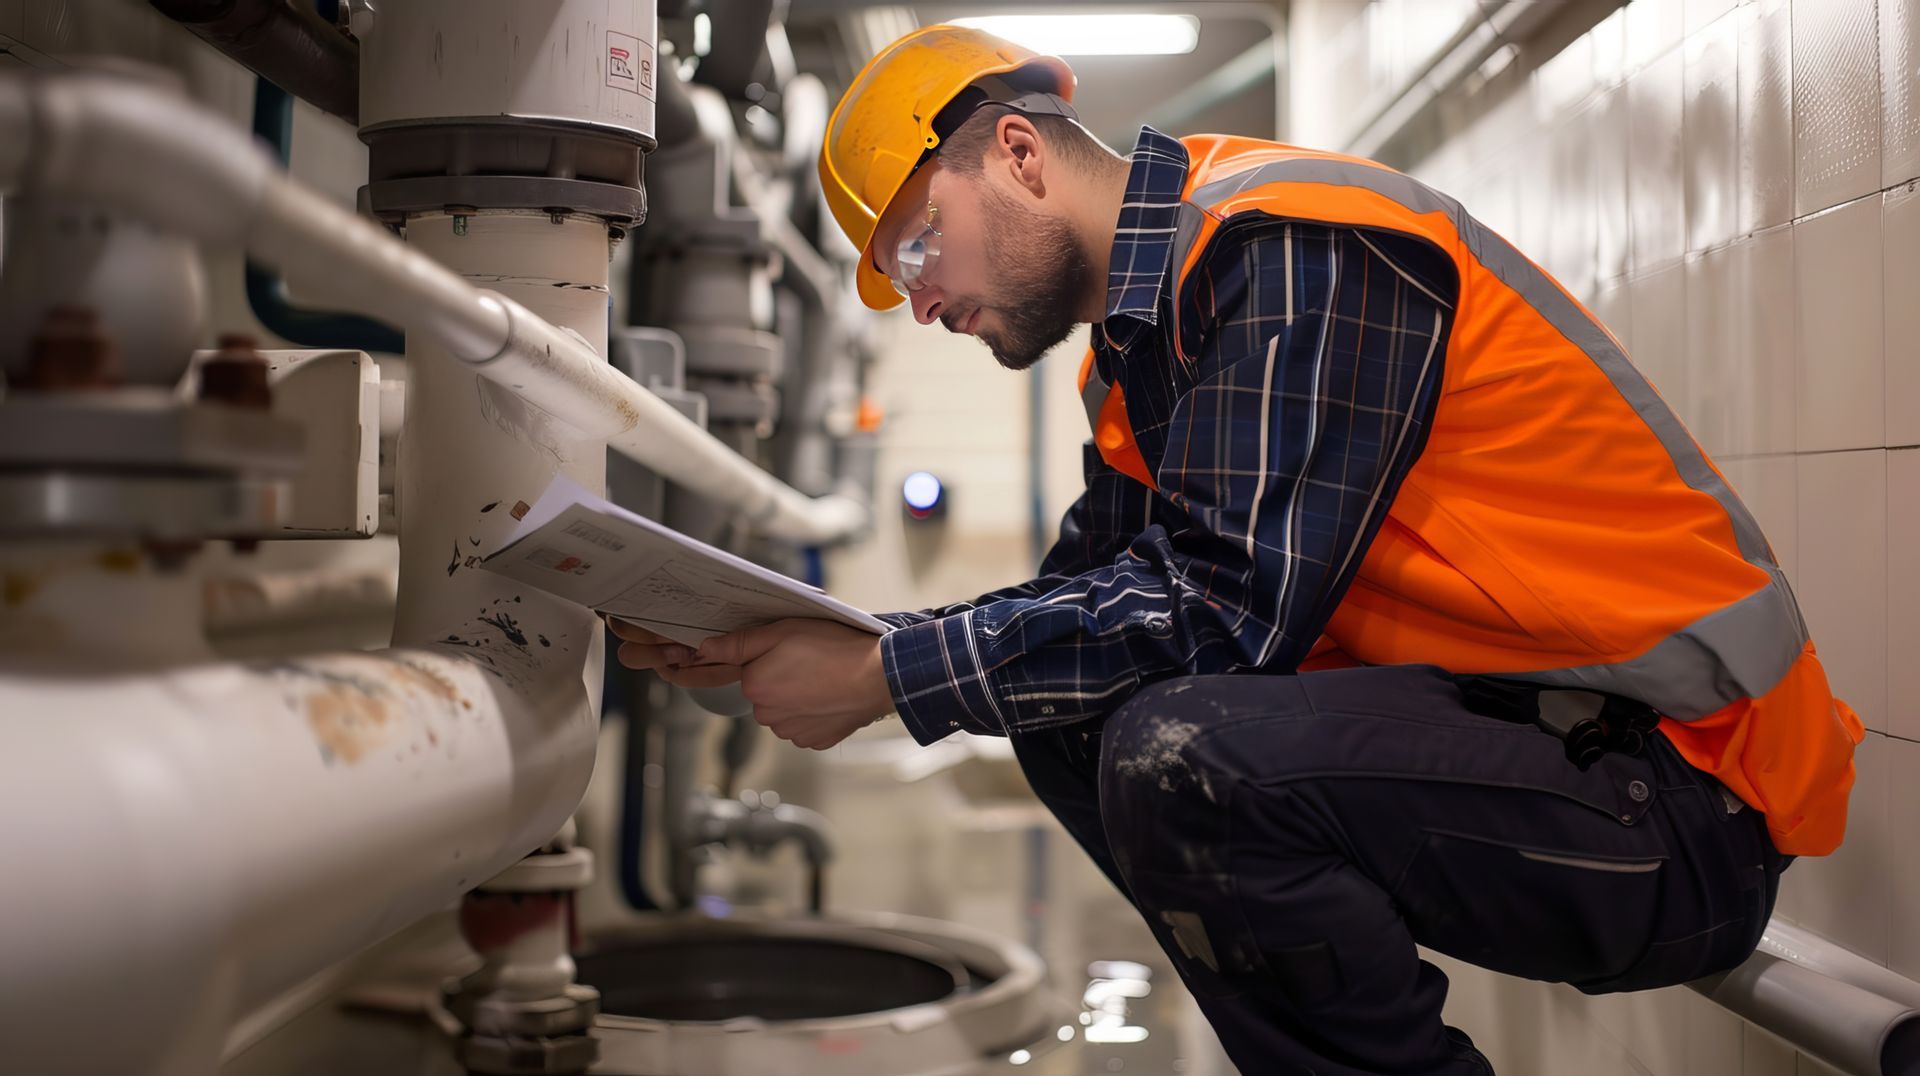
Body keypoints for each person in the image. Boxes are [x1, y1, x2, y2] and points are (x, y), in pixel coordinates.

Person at [612, 25, 1864, 1074]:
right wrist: (841, 641)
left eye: (920, 248)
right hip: (1544, 752)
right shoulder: (1147, 341)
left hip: (1684, 800)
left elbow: (1219, 610)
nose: (924, 301)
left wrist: (888, 681)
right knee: (1075, 711)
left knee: (1182, 751)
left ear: (1015, 152)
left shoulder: (1296, 247)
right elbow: (1071, 608)